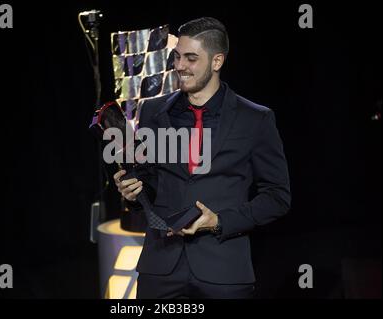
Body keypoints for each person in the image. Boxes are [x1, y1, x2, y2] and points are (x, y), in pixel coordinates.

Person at [113, 17, 291, 299]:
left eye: (191, 58)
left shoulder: (255, 119)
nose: (180, 66)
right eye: (177, 56)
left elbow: (277, 197)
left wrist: (218, 221)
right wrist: (134, 193)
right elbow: (148, 182)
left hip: (225, 272)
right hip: (160, 271)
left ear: (217, 61)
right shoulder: (152, 112)